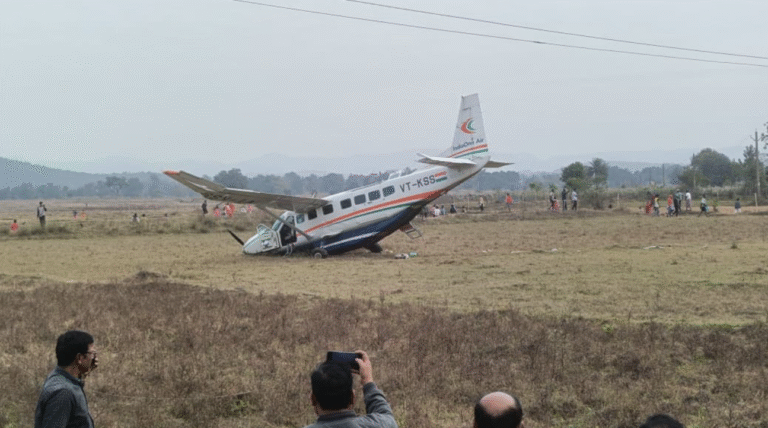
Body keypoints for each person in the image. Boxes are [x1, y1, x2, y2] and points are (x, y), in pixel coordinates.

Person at [304, 350, 397, 428]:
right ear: (353, 398)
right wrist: (368, 381)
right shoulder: (377, 425)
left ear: (312, 399)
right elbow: (387, 417)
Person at [35, 330, 98, 428]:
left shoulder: (59, 376)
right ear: (80, 358)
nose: (94, 358)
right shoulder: (63, 393)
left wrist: (84, 371)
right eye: (92, 354)